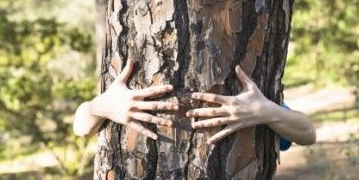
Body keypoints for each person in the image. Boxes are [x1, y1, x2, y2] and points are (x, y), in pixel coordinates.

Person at [73, 59, 316, 148]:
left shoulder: (252, 106)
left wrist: (266, 111)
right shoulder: (114, 101)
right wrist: (99, 107)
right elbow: (81, 127)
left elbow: (307, 133)